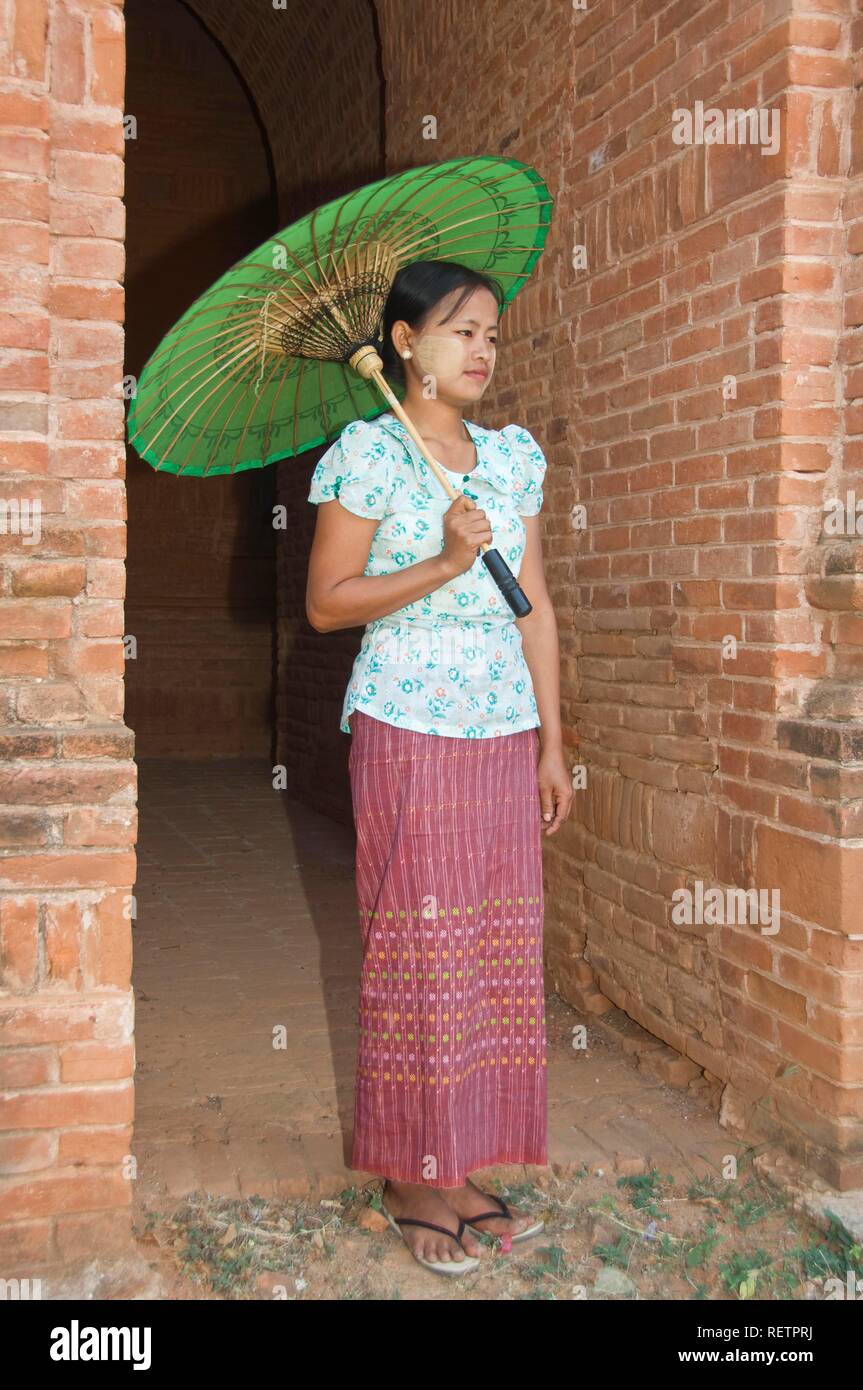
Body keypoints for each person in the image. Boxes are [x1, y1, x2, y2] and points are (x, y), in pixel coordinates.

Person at [305, 259, 571, 1276]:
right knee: (417, 949)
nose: (481, 349)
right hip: (408, 724)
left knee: (489, 944)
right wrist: (444, 563)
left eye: (491, 334)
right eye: (460, 330)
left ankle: (458, 1159)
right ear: (403, 344)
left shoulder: (509, 459)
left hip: (500, 731)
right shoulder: (369, 452)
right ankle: (408, 1173)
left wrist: (553, 738)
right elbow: (328, 601)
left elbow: (533, 604)